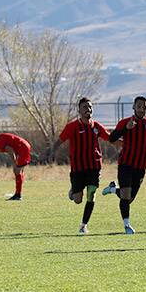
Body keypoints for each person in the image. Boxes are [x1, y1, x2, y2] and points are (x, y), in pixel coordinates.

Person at [103, 96, 146, 234]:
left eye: (144, 107)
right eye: (139, 106)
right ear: (134, 107)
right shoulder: (125, 122)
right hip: (125, 164)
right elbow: (111, 138)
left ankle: (113, 190)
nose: (141, 109)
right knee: (125, 195)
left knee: (129, 198)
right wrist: (125, 128)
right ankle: (127, 226)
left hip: (141, 167)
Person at [58, 97, 112, 234]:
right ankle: (74, 190)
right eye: (85, 107)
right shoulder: (72, 126)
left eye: (90, 107)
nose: (88, 110)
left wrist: (125, 142)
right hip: (78, 168)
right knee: (77, 200)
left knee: (91, 195)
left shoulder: (96, 127)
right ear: (79, 110)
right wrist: (50, 152)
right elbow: (60, 139)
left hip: (94, 166)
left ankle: (83, 225)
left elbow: (110, 138)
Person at [0, 133, 32, 201]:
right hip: (23, 146)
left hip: (22, 147)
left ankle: (18, 195)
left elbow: (10, 149)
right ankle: (18, 193)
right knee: (18, 171)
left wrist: (14, 163)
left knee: (17, 170)